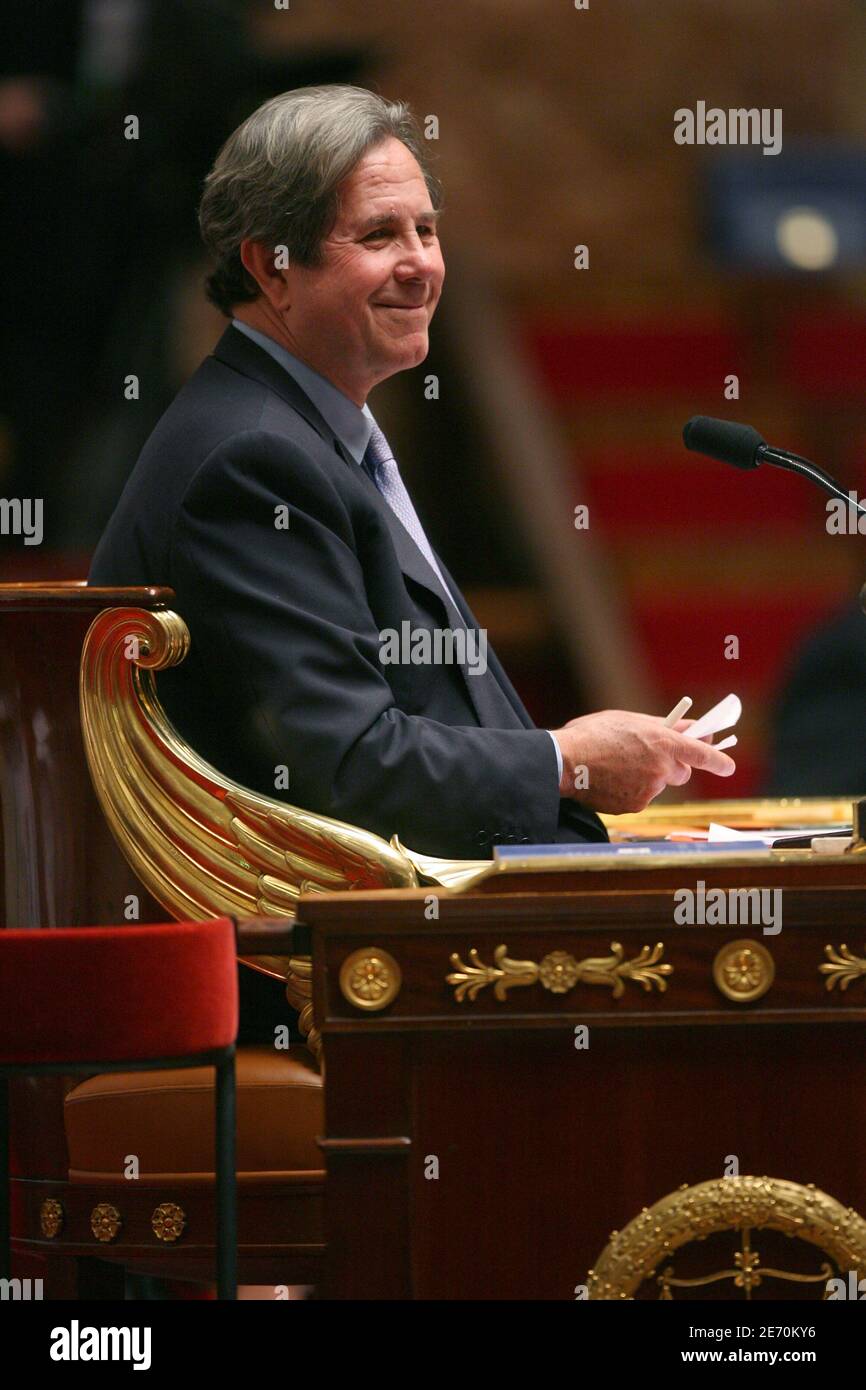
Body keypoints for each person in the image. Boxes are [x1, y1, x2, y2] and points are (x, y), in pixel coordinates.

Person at [89, 84, 734, 868]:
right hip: (333, 971)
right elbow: (350, 767)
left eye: (426, 229)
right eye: (379, 235)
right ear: (271, 267)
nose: (421, 265)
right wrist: (567, 759)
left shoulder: (309, 435)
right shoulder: (254, 462)